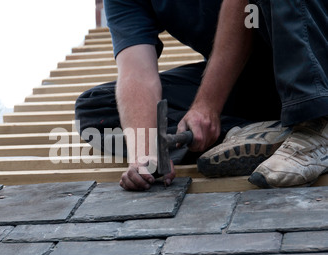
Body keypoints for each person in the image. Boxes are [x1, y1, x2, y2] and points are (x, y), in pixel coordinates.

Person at [75, 0, 328, 191]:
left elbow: (242, 11)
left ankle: (318, 125)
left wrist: (207, 105)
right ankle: (262, 132)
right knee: (98, 109)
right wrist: (144, 153)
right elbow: (136, 74)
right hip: (266, 84)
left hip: (316, 59)